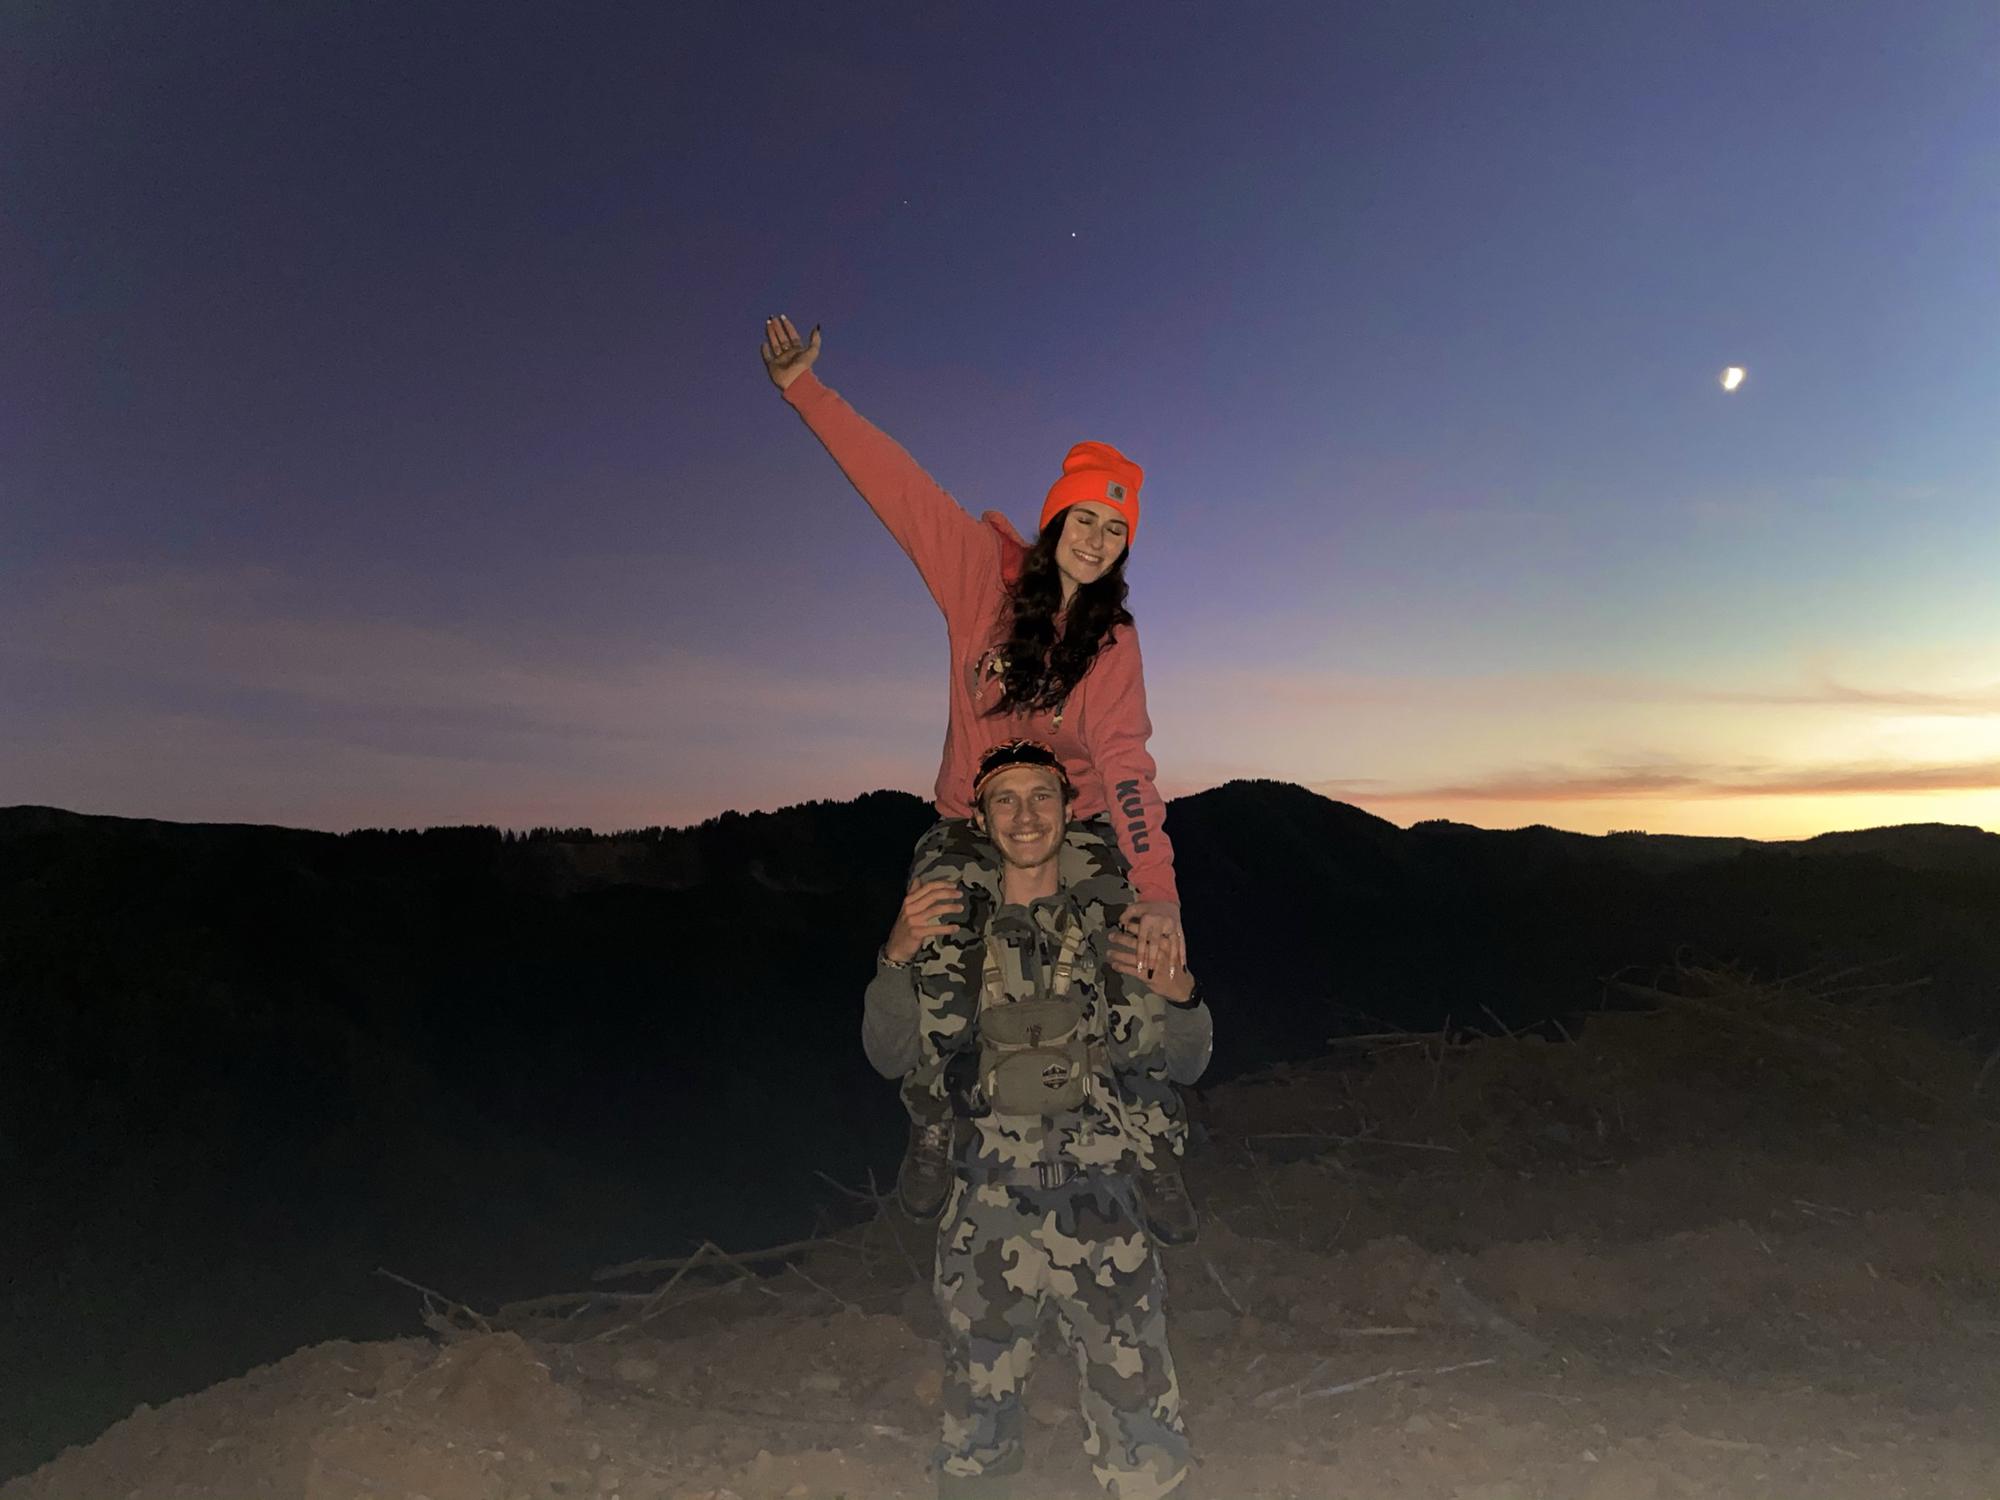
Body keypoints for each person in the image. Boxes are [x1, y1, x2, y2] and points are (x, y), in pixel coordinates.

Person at [762, 315, 1195, 1234]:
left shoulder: (1112, 642)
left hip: (1072, 824)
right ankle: (932, 1120)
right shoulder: (979, 580)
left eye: (1116, 530)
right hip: (970, 820)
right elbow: (900, 489)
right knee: (937, 946)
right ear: (1056, 517)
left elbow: (1126, 767)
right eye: (1086, 518)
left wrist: (1156, 893)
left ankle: (1153, 1141)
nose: (1097, 540)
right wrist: (806, 390)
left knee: (1133, 953)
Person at [863, 740, 1212, 1500]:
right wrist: (895, 954)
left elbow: (1184, 1064)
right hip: (985, 1204)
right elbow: (889, 1055)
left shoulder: (1117, 923)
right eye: (1006, 799)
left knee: (1141, 1428)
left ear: (1067, 809)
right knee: (976, 1431)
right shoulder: (947, 935)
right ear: (983, 819)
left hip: (1105, 1199)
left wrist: (1183, 996)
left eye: (1042, 796)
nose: (1026, 815)